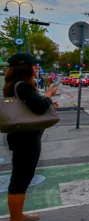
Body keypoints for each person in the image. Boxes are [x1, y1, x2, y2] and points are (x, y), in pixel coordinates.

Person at [3, 53, 59, 221]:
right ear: (24, 67)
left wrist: (45, 100)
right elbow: (40, 107)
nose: (37, 68)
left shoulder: (14, 85)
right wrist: (48, 95)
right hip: (25, 139)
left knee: (22, 177)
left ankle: (18, 214)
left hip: (22, 136)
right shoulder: (23, 86)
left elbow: (32, 106)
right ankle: (15, 218)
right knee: (21, 179)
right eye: (34, 65)